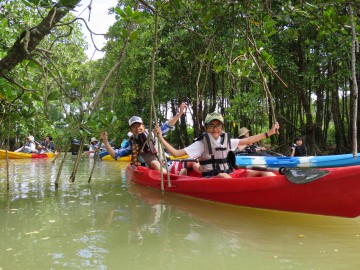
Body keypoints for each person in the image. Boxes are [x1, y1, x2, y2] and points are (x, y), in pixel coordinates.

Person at [155, 112, 280, 178]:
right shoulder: (201, 143)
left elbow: (247, 141)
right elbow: (176, 154)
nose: (215, 128)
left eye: (218, 125)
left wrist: (269, 133)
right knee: (224, 177)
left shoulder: (226, 140)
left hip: (230, 174)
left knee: (267, 174)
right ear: (206, 127)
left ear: (222, 127)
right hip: (213, 177)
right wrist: (161, 138)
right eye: (211, 125)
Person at [100, 102, 187, 172]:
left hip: (166, 163)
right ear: (130, 130)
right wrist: (105, 141)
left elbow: (168, 125)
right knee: (155, 164)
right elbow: (115, 154)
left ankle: (179, 173)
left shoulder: (154, 134)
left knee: (192, 162)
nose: (137, 128)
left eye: (139, 125)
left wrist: (180, 113)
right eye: (134, 127)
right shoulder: (132, 144)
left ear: (143, 126)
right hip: (153, 169)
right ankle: (174, 177)